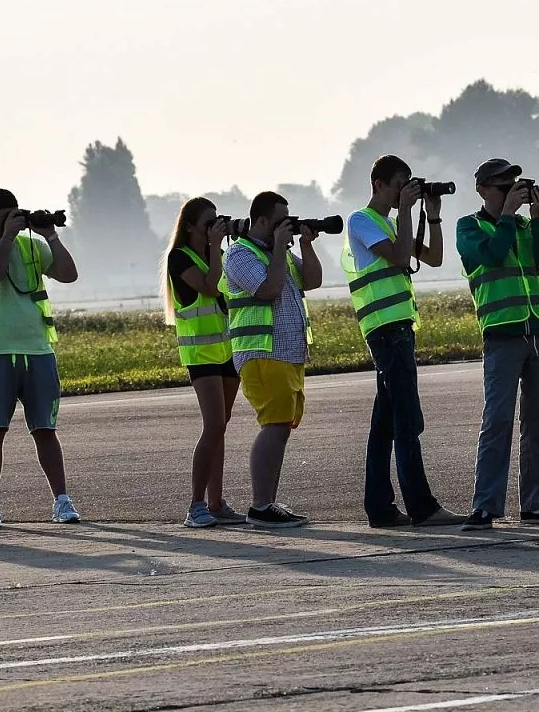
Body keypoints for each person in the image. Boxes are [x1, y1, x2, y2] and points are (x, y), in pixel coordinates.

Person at [342, 155, 463, 528]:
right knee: (408, 421)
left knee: (386, 423)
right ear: (379, 184)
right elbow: (397, 258)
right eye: (399, 184)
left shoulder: (393, 223)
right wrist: (409, 212)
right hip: (386, 331)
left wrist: (434, 214)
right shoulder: (362, 220)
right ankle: (422, 507)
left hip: (397, 330)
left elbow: (435, 257)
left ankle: (379, 507)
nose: (403, 191)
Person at [0, 188, 80, 528]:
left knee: (46, 429)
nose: (10, 222)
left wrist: (51, 236)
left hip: (38, 350)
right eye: (4, 217)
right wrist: (6, 239)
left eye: (15, 215)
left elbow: (69, 274)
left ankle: (61, 500)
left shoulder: (32, 246)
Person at [456, 159, 539, 531]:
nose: (509, 194)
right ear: (483, 189)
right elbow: (492, 254)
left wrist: (536, 217)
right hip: (502, 335)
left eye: (514, 187)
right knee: (498, 422)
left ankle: (534, 504)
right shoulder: (468, 227)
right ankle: (485, 505)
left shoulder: (521, 224)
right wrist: (506, 215)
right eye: (503, 188)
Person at [224, 191, 322, 528]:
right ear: (262, 220)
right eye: (281, 220)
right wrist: (280, 248)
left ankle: (268, 502)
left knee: (281, 427)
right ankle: (261, 505)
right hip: (262, 353)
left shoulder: (275, 253)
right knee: (274, 425)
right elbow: (268, 289)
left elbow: (312, 280)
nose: (287, 226)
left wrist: (305, 245)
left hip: (288, 354)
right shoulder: (240, 254)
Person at [162, 196, 247, 528]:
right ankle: (195, 505)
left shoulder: (217, 254)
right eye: (208, 222)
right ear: (191, 227)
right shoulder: (179, 258)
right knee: (213, 426)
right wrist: (215, 247)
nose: (215, 227)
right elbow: (212, 286)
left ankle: (216, 502)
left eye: (218, 221)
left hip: (226, 350)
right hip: (201, 355)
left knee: (220, 428)